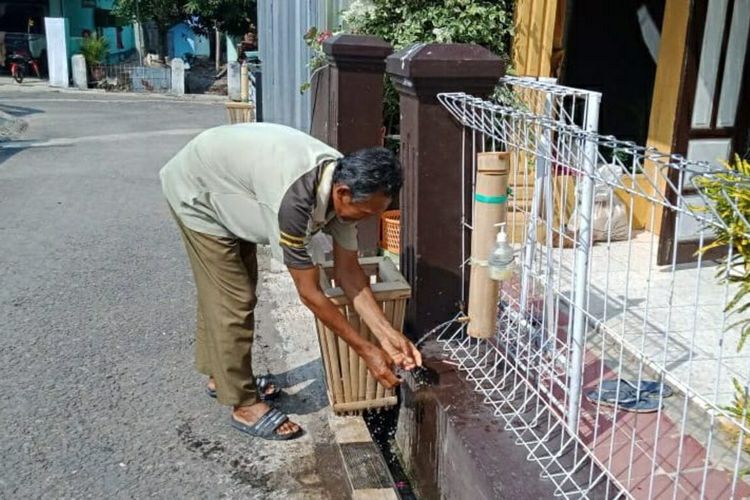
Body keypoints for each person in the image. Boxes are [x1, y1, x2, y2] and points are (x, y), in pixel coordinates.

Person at [160, 123, 421, 441]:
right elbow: (310, 294)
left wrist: (387, 334)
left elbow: (350, 274)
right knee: (233, 300)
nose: (363, 220)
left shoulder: (344, 180)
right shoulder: (295, 202)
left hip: (231, 185)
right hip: (197, 190)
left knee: (226, 292)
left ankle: (223, 376)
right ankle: (242, 404)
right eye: (363, 213)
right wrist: (365, 349)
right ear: (342, 194)